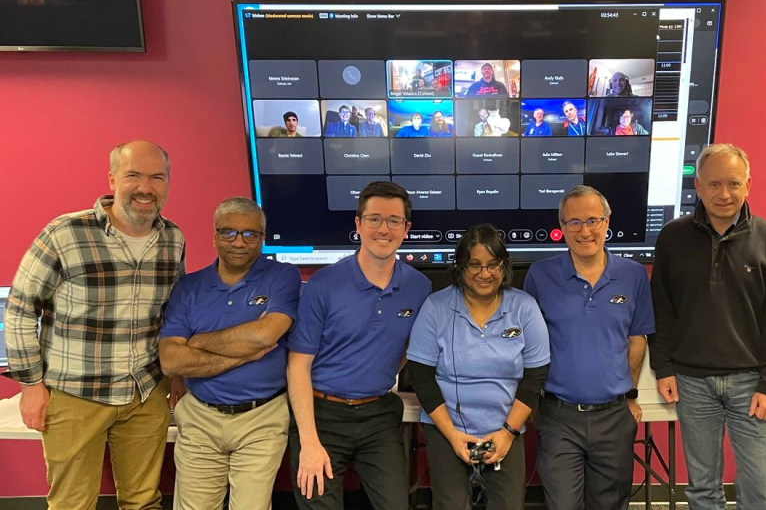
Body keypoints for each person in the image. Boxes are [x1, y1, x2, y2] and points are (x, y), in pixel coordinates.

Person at [3, 140, 186, 509]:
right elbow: (21, 309)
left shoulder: (172, 239)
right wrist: (32, 386)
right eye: (133, 175)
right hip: (74, 394)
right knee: (72, 503)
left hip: (146, 392)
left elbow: (175, 314)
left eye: (157, 177)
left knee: (143, 501)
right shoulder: (65, 232)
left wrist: (177, 373)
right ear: (112, 179)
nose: (145, 187)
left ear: (167, 183)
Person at [649, 143, 766, 510]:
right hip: (692, 382)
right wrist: (663, 367)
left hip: (753, 383)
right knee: (702, 490)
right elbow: (662, 310)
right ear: (697, 186)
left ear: (749, 185)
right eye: (714, 184)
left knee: (759, 490)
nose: (724, 194)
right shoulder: (672, 237)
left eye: (733, 184)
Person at [287, 181, 432, 510]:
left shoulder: (418, 287)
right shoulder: (323, 285)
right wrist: (308, 441)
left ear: (406, 228)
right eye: (374, 219)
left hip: (378, 416)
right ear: (358, 224)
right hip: (322, 417)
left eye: (394, 220)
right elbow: (298, 365)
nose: (384, 229)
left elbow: (410, 347)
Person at [158, 197, 300, 510]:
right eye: (228, 233)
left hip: (262, 417)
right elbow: (170, 360)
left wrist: (195, 341)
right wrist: (243, 355)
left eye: (251, 234)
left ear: (263, 238)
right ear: (214, 235)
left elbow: (265, 335)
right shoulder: (189, 287)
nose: (239, 242)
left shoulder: (282, 277)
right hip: (200, 416)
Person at [524, 185, 654, 510]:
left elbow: (637, 339)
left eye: (593, 220)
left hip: (613, 417)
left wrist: (630, 394)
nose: (585, 231)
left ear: (607, 222)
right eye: (574, 222)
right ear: (562, 226)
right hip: (558, 417)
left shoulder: (634, 275)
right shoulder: (540, 275)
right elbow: (527, 347)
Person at [407, 224, 550, 509]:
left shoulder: (525, 308)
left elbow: (535, 377)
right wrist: (452, 434)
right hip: (447, 430)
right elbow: (421, 377)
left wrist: (508, 432)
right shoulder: (436, 307)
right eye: (475, 265)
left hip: (506, 429)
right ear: (460, 267)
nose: (484, 274)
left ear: (504, 266)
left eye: (492, 265)